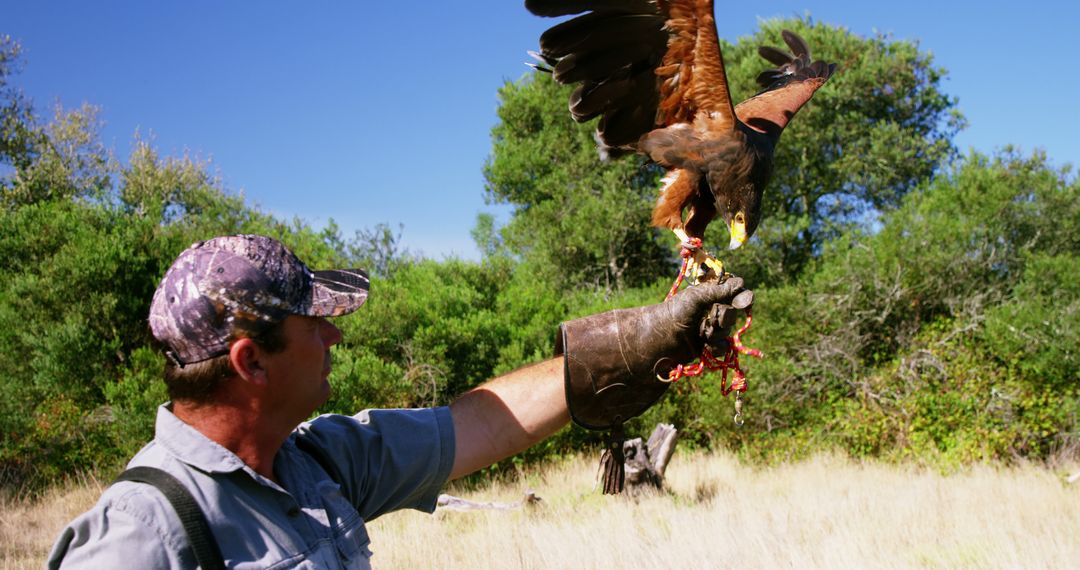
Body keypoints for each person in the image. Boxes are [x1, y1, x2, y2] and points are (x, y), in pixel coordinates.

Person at [47, 234, 749, 568]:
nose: (333, 336)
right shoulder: (140, 537)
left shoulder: (323, 462)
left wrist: (647, 342)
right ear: (250, 362)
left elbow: (475, 426)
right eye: (312, 323)